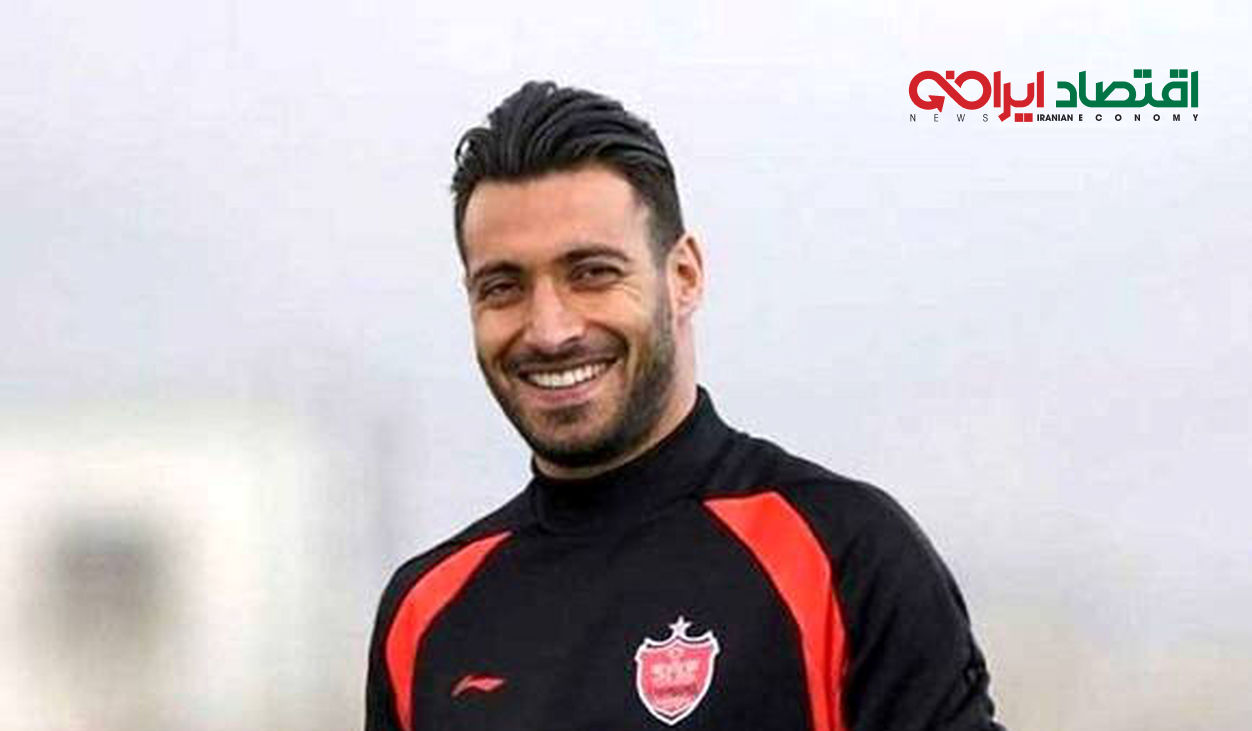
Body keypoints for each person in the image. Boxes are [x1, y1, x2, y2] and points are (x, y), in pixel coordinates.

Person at [365, 81, 1004, 731]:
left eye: (592, 273)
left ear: (684, 276)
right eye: (503, 286)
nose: (550, 330)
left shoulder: (846, 554)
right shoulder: (425, 612)